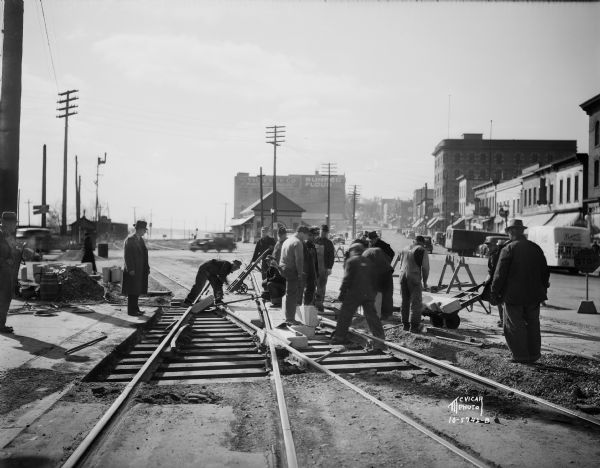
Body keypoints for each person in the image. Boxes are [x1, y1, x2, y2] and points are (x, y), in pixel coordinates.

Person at [491, 219, 549, 364]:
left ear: (510, 232)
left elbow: (500, 274)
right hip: (534, 296)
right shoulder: (535, 248)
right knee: (533, 324)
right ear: (522, 231)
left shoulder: (508, 249)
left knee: (514, 325)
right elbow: (545, 272)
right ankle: (534, 354)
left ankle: (520, 356)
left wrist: (494, 292)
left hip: (513, 296)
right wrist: (542, 289)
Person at [330, 243, 385, 349]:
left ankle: (339, 337)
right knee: (372, 317)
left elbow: (347, 279)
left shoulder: (351, 261)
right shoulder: (369, 262)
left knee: (345, 315)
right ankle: (380, 339)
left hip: (354, 294)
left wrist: (342, 293)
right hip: (368, 294)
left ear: (353, 250)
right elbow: (375, 280)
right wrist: (372, 294)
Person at [398, 235, 430, 333]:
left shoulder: (404, 249)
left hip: (402, 277)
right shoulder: (421, 250)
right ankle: (414, 327)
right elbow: (425, 268)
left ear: (413, 241)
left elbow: (400, 264)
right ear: (422, 243)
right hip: (414, 277)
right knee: (416, 303)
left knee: (405, 301)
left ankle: (405, 325)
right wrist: (425, 282)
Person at [279, 225, 309, 324]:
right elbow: (299, 259)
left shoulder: (288, 240)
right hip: (291, 270)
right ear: (301, 233)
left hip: (283, 267)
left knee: (289, 293)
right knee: (292, 294)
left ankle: (288, 316)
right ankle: (290, 319)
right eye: (306, 235)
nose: (306, 238)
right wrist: (300, 274)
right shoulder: (298, 242)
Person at [122, 221, 150, 316]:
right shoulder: (130, 240)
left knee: (137, 290)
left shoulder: (140, 240)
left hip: (140, 269)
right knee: (132, 291)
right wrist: (131, 269)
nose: (145, 232)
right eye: (144, 230)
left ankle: (136, 308)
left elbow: (144, 255)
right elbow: (127, 256)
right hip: (133, 270)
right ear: (139, 229)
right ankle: (131, 311)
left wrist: (147, 267)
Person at [481, 239, 510, 327]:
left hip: (502, 282)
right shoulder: (492, 256)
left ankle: (506, 321)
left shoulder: (500, 255)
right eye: (488, 246)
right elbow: (490, 272)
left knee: (502, 303)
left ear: (496, 246)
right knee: (499, 302)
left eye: (490, 246)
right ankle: (503, 320)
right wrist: (486, 281)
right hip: (497, 282)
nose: (488, 248)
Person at [362, 244, 395, 320]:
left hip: (378, 274)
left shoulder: (364, 254)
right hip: (388, 271)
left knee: (376, 293)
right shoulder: (378, 250)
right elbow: (388, 259)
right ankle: (387, 314)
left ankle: (375, 314)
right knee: (388, 293)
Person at [0, 212, 19, 333]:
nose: (15, 225)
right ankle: (0, 325)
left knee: (6, 298)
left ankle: (1, 323)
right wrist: (6, 261)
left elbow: (12, 249)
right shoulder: (1, 235)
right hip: (2, 272)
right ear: (7, 223)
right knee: (3, 298)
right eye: (14, 223)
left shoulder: (8, 235)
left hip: (7, 272)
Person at [314, 224, 335, 312]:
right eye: (323, 232)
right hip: (314, 267)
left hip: (324, 268)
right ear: (320, 232)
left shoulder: (329, 243)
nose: (324, 233)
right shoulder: (315, 241)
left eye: (325, 232)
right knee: (313, 285)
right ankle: (313, 302)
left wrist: (329, 268)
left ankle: (320, 302)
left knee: (322, 286)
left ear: (327, 233)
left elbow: (331, 256)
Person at [302, 227, 320, 306]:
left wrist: (317, 272)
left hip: (313, 273)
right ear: (309, 235)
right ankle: (307, 307)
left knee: (311, 291)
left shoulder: (313, 246)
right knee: (307, 291)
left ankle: (310, 307)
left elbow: (315, 261)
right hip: (306, 273)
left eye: (315, 236)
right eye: (313, 236)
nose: (314, 237)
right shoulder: (305, 245)